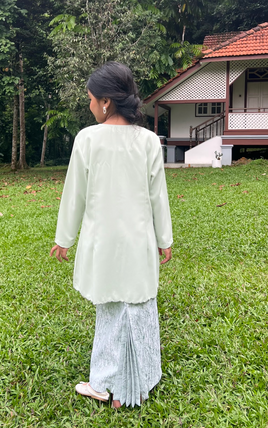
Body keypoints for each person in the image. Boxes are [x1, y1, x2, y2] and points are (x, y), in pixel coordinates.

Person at [50, 61, 173, 409]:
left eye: (90, 99)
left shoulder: (88, 139)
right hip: (139, 244)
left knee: (109, 312)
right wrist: (165, 240)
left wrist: (64, 238)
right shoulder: (148, 141)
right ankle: (140, 383)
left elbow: (74, 193)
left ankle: (104, 385)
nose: (89, 106)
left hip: (102, 245)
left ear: (106, 101)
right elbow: (157, 197)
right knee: (138, 309)